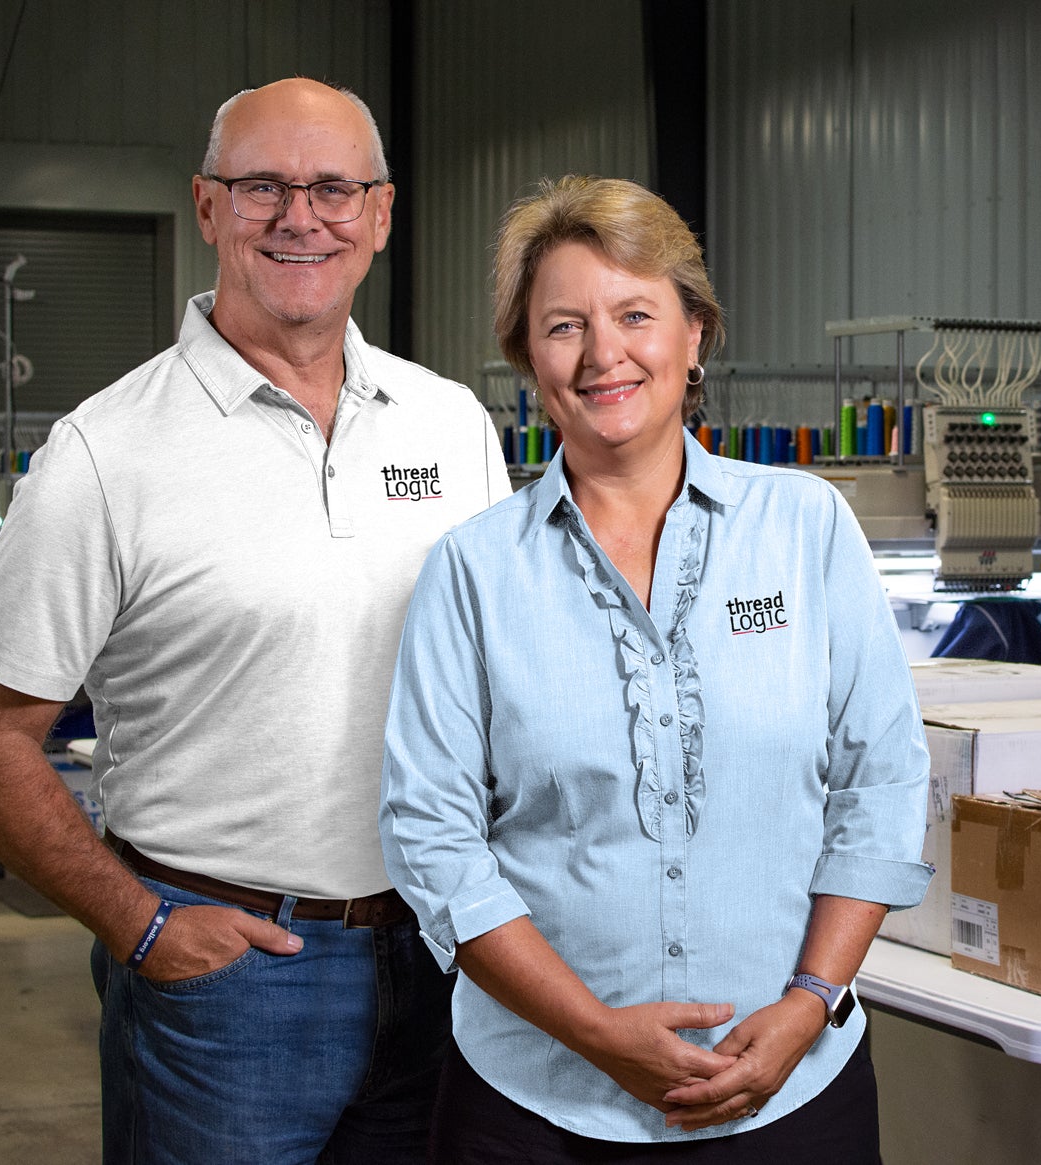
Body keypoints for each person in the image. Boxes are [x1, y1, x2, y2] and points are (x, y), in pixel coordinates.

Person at [0, 78, 511, 1164]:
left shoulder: (451, 427)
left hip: (445, 957)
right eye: (263, 186)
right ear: (209, 207)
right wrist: (143, 927)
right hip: (228, 984)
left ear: (381, 215)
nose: (301, 217)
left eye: (333, 189)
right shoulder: (104, 454)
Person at [378, 175, 931, 1163]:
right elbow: (432, 835)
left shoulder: (806, 528)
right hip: (535, 1103)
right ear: (527, 358)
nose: (604, 354)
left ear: (694, 333)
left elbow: (880, 780)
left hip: (793, 1090)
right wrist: (593, 1031)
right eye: (564, 327)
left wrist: (811, 1000)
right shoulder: (472, 571)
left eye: (635, 314)